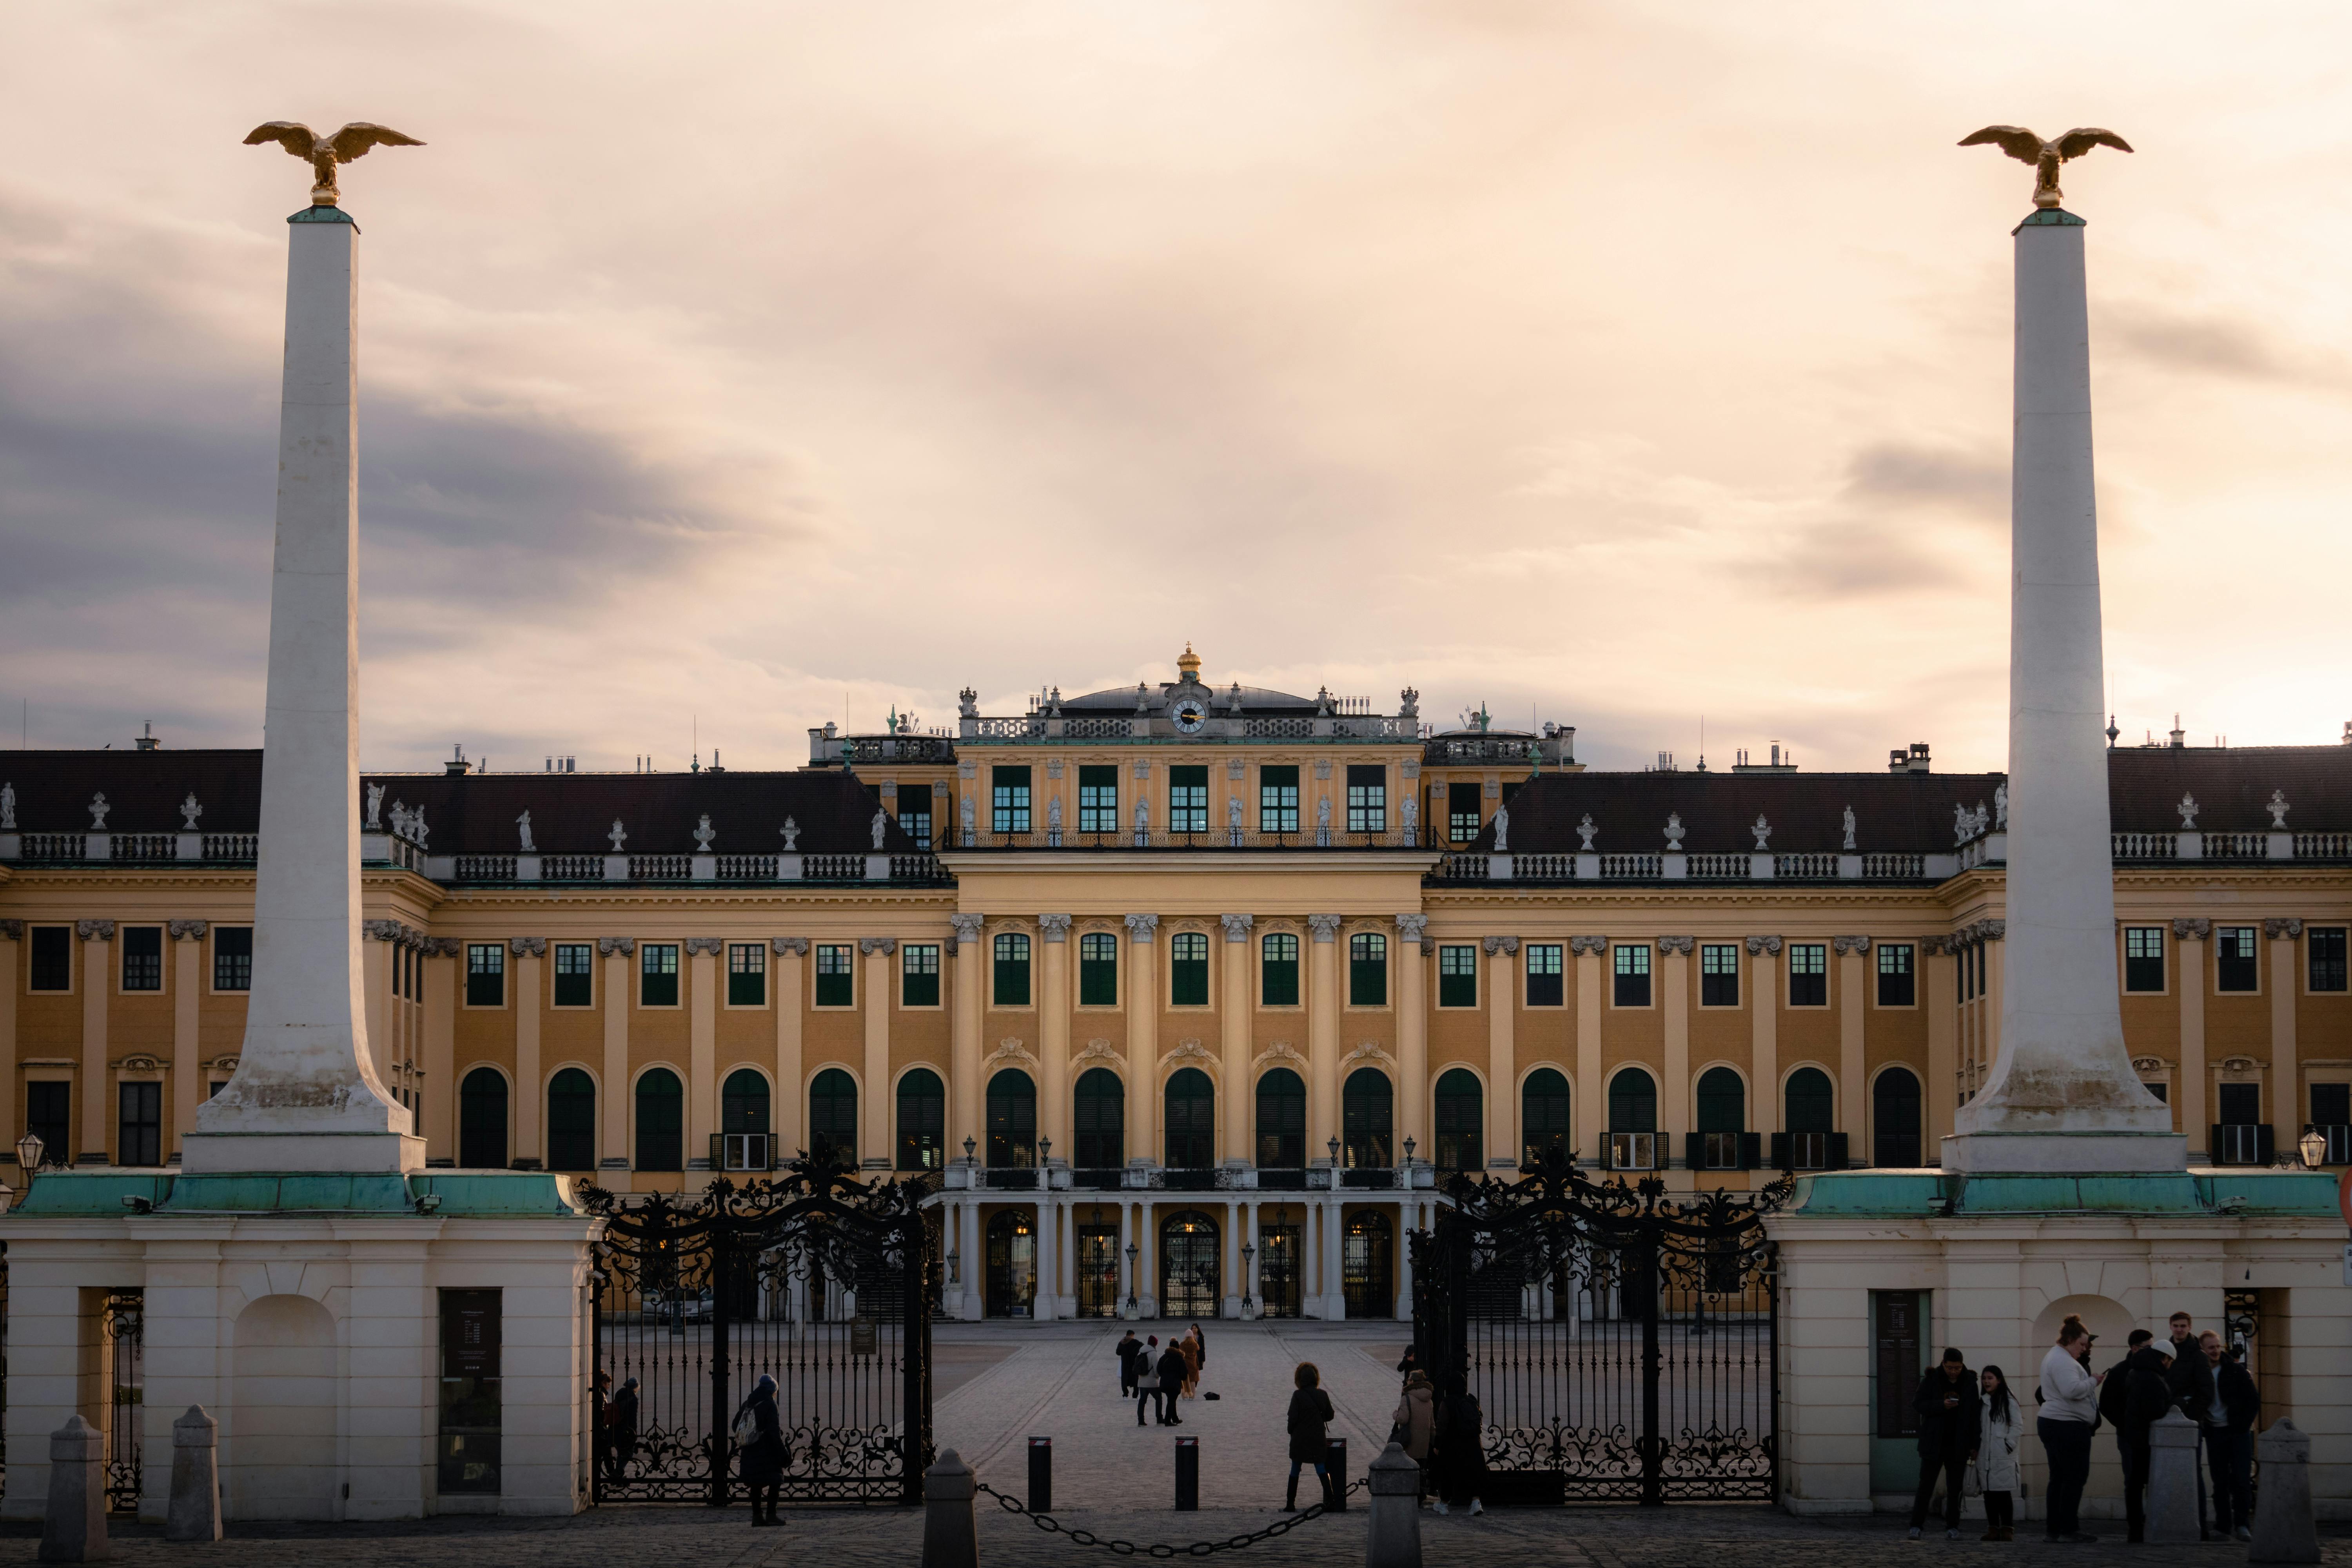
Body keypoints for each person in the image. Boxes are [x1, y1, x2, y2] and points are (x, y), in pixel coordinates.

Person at [2036, 1315, 2102, 1543]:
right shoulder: (2063, 1360)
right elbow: (2071, 1390)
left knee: (2059, 1478)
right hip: (2066, 1426)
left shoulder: (2057, 1357)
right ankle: (2068, 1529)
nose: (2084, 1350)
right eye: (2082, 1344)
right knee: (2074, 1477)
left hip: (2057, 1424)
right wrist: (2094, 1381)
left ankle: (2054, 1530)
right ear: (2070, 1340)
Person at [1907, 1348, 1982, 1541]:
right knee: (1926, 1487)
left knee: (1955, 1488)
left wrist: (1975, 1445)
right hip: (1934, 1442)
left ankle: (1953, 1526)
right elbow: (1918, 1404)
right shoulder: (1932, 1379)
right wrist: (1942, 1405)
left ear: (1962, 1365)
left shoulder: (1970, 1382)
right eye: (1950, 1368)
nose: (1954, 1372)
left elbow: (1975, 1416)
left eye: (1957, 1368)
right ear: (1943, 1364)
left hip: (1959, 1444)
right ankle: (1916, 1526)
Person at [2117, 1339, 2178, 1543]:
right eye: (2170, 1362)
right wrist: (2174, 1404)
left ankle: (2136, 1526)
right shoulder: (2152, 1377)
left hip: (2135, 1436)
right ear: (2165, 1358)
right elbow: (2155, 1411)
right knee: (2143, 1483)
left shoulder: (2136, 1371)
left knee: (2134, 1484)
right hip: (2147, 1439)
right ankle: (2145, 1526)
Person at [2167, 1312, 2218, 1538]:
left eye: (2183, 1326)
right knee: (2166, 1473)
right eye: (2176, 1326)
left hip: (2190, 1422)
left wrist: (2190, 1417)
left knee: (2193, 1473)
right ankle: (2170, 1521)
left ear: (2189, 1327)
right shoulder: (2163, 1352)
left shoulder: (2198, 1356)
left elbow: (2207, 1391)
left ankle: (2201, 1526)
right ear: (2171, 1327)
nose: (2179, 1329)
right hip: (2166, 1421)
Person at [2210, 1335, 2259, 1542]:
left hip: (2238, 1432)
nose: (2215, 1350)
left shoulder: (2236, 1370)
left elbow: (2253, 1400)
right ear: (2203, 1350)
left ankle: (2242, 1525)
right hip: (2214, 1431)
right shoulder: (2201, 1373)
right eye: (2210, 1347)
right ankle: (2223, 1526)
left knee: (2241, 1480)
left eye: (2217, 1346)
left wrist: (2243, 1425)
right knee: (2219, 1483)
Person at [733, 1372, 788, 1527]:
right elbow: (774, 1431)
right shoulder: (770, 1404)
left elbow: (735, 1425)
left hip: (750, 1450)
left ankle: (757, 1516)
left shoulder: (749, 1403)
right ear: (773, 1390)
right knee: (776, 1480)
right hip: (767, 1450)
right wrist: (782, 1452)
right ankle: (771, 1515)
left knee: (756, 1484)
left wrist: (750, 1433)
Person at [1431, 1373, 1486, 1517]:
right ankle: (1476, 1503)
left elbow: (1442, 1425)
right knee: (1474, 1473)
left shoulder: (1447, 1402)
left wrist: (1437, 1444)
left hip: (1453, 1443)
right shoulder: (1471, 1399)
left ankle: (1443, 1505)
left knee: (1448, 1474)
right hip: (1473, 1442)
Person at [1977, 1365, 2022, 1541]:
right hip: (1985, 1454)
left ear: (1999, 1380)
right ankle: (1993, 1529)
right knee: (1989, 1494)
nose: (1987, 1382)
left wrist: (2008, 1445)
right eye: (1984, 1378)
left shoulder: (2009, 1401)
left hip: (2002, 1455)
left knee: (2003, 1494)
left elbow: (2017, 1425)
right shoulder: (1983, 1401)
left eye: (1990, 1378)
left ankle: (2008, 1529)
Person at [1286, 1361, 1337, 1511]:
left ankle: (1290, 1504)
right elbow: (1330, 1415)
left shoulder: (1298, 1395)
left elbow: (1292, 1418)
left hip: (1300, 1440)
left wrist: (1291, 1431)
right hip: (1317, 1438)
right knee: (1321, 1468)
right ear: (1316, 1378)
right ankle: (1331, 1500)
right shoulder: (1323, 1394)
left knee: (1295, 1469)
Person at [1391, 1369, 1436, 1502]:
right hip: (1424, 1441)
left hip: (1410, 1440)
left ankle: (1410, 1493)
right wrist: (1434, 1443)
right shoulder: (1429, 1399)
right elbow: (1432, 1425)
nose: (1407, 1381)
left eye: (1409, 1380)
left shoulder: (1407, 1398)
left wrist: (1395, 1414)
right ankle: (1421, 1493)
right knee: (1421, 1468)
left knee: (1408, 1467)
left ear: (1413, 1382)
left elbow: (1403, 1419)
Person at [607, 1376, 640, 1485]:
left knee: (621, 1453)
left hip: (615, 1428)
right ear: (636, 1387)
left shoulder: (619, 1394)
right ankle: (615, 1475)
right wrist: (634, 1432)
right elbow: (632, 1418)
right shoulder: (633, 1399)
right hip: (626, 1430)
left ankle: (618, 1480)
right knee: (628, 1453)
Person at [1156, 1336, 1190, 1425]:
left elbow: (1158, 1369)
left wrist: (1164, 1376)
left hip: (1165, 1383)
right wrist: (1180, 1378)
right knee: (1171, 1401)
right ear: (1178, 1347)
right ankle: (1168, 1421)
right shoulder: (1179, 1358)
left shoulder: (1164, 1357)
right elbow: (1184, 1373)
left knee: (1171, 1400)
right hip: (1175, 1384)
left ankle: (1175, 1418)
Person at [1135, 1334, 1161, 1426]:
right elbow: (1156, 1369)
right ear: (1155, 1344)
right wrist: (1158, 1377)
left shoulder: (1141, 1352)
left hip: (1142, 1382)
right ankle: (1159, 1418)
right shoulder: (1153, 1353)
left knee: (1142, 1401)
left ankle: (1141, 1421)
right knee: (1159, 1399)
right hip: (1152, 1382)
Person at [1116, 1329, 1143, 1397]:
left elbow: (1118, 1352)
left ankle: (1125, 1394)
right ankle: (1135, 1395)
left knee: (1124, 1380)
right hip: (1133, 1363)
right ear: (1132, 1335)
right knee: (1135, 1379)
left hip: (1125, 1364)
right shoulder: (1135, 1342)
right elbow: (1142, 1345)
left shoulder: (1122, 1342)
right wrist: (1135, 1352)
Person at [1180, 1328, 1202, 1398]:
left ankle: (1184, 1396)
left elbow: (1180, 1351)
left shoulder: (1183, 1344)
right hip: (1193, 1365)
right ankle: (1192, 1396)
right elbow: (1198, 1349)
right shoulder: (1195, 1344)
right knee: (1193, 1381)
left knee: (1184, 1381)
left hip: (1185, 1365)